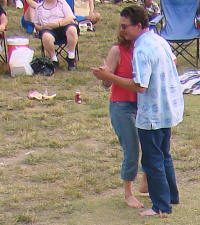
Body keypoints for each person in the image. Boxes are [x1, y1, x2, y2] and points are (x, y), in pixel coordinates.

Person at [91, 5, 184, 216]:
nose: (121, 30)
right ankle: (170, 196)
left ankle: (161, 207)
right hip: (167, 109)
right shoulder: (160, 41)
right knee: (164, 155)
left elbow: (140, 85)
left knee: (153, 160)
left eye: (125, 26)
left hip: (151, 112)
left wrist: (108, 77)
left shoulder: (142, 49)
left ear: (139, 26)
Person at [100, 28, 148, 209]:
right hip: (122, 106)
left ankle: (145, 181)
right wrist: (105, 74)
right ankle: (128, 192)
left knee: (150, 144)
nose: (123, 30)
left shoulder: (144, 48)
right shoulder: (117, 50)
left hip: (142, 105)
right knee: (132, 149)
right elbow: (106, 82)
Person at [33, 0, 79, 71]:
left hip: (64, 26)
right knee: (46, 37)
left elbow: (70, 18)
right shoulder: (39, 7)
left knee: (72, 29)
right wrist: (42, 28)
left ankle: (71, 57)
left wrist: (58, 24)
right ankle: (54, 60)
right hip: (48, 29)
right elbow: (36, 24)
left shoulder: (62, 3)